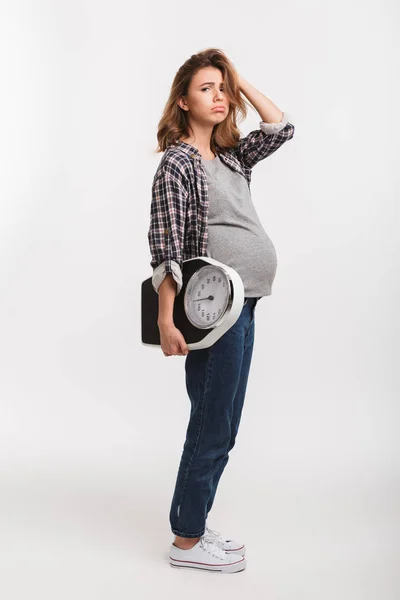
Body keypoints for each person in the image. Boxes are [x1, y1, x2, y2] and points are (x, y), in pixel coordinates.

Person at [147, 48, 295, 573]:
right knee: (212, 423)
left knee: (223, 423)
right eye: (206, 88)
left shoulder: (231, 155)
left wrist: (238, 77)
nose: (218, 96)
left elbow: (281, 127)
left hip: (245, 303)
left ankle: (192, 525)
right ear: (183, 102)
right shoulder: (178, 163)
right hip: (212, 310)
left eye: (222, 88)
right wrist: (166, 318)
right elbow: (166, 248)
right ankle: (186, 541)